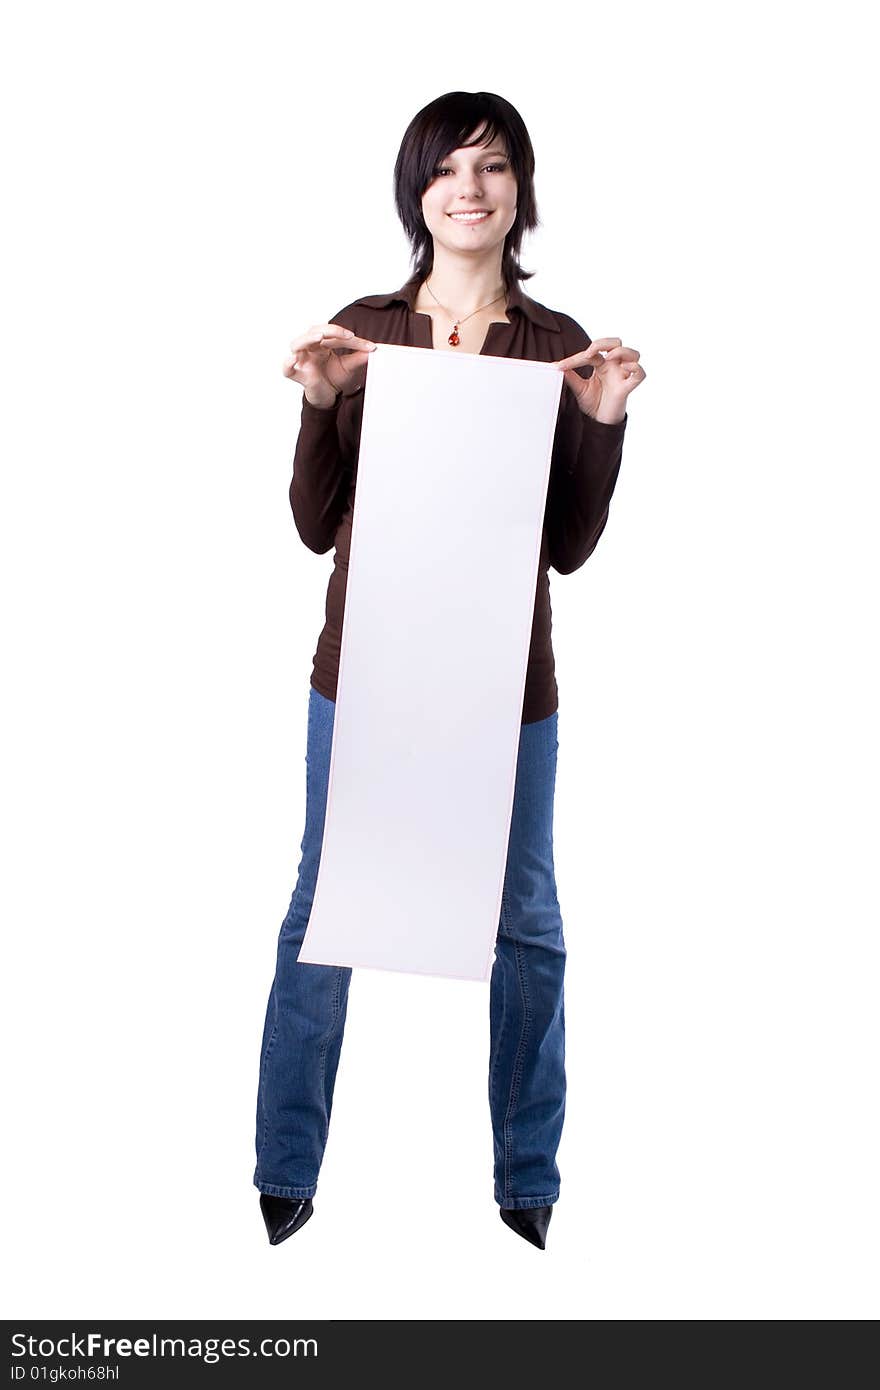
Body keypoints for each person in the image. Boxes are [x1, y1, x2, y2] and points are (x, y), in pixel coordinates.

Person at [254, 91, 645, 1250]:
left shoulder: (553, 341)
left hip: (505, 687)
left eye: (493, 168)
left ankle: (527, 1176)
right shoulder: (363, 324)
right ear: (416, 190)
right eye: (449, 170)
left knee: (525, 919)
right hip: (362, 677)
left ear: (519, 193)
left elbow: (565, 544)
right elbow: (315, 521)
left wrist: (605, 421)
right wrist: (324, 404)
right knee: (323, 909)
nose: (470, 190)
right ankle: (286, 1166)